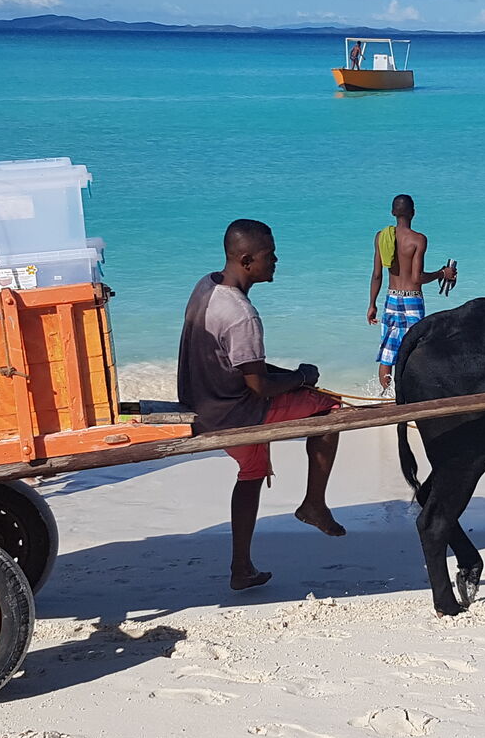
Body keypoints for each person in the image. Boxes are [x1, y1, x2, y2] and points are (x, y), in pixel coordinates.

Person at [178, 218, 346, 591]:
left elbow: (240, 365)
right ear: (247, 259)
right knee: (331, 407)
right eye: (269, 255)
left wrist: (293, 375)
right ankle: (314, 504)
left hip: (203, 400)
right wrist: (302, 378)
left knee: (251, 473)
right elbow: (258, 387)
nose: (276, 260)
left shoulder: (207, 285)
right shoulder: (241, 314)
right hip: (235, 411)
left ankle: (242, 568)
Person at [368, 194, 456, 392]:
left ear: (392, 213)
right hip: (412, 300)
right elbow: (417, 279)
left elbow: (376, 275)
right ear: (413, 213)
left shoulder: (382, 237)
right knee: (415, 350)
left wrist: (372, 304)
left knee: (388, 352)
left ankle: (386, 396)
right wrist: (442, 273)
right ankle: (409, 395)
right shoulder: (418, 240)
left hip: (391, 297)